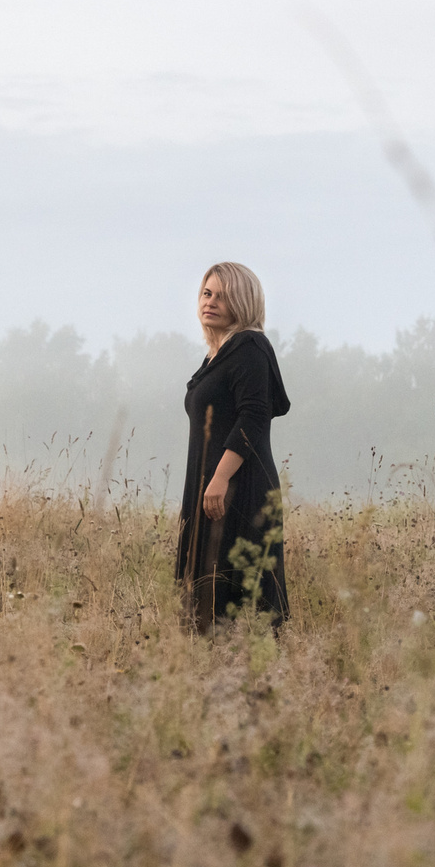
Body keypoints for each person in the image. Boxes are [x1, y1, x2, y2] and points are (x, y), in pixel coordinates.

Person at [177, 262, 290, 629]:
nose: (210, 302)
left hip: (240, 489)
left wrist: (220, 479)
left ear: (242, 301)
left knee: (241, 600)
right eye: (206, 293)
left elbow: (254, 417)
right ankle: (211, 678)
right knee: (207, 600)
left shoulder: (250, 345)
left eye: (222, 296)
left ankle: (251, 679)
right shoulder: (217, 354)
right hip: (212, 487)